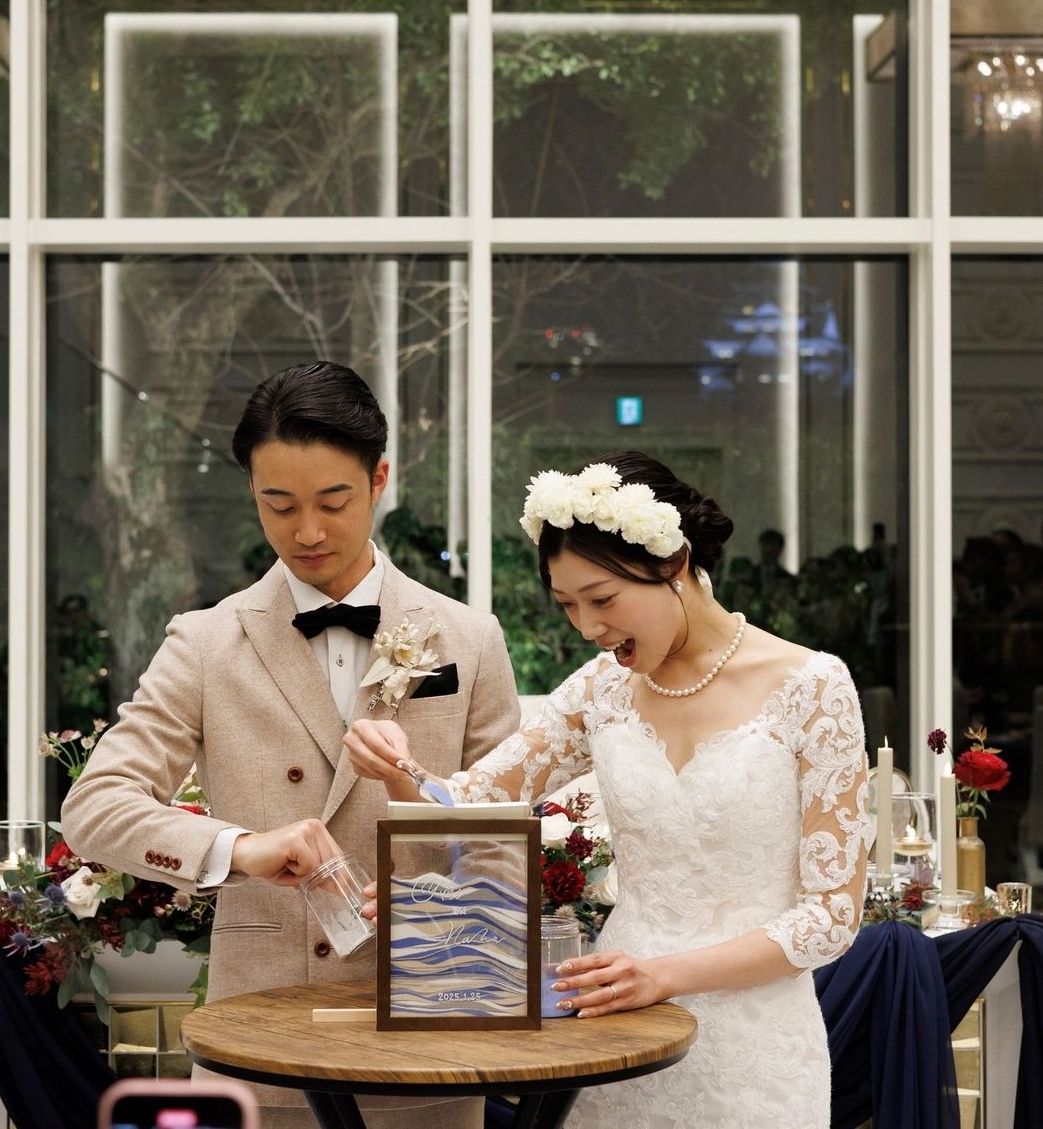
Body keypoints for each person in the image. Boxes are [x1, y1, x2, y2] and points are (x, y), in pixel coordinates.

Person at [346, 450, 872, 1129]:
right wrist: (398, 767)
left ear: (674, 564)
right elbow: (471, 803)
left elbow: (831, 917)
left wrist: (666, 975)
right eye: (568, 605)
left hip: (756, 1049)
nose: (589, 628)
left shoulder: (813, 687)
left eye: (602, 600)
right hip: (613, 1030)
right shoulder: (601, 690)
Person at [62, 361, 521, 1129]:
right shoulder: (205, 642)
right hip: (261, 1048)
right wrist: (240, 848)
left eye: (333, 502)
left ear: (379, 480)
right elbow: (95, 808)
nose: (307, 531)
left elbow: (506, 845)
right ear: (252, 491)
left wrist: (430, 873)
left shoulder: (469, 638)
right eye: (279, 505)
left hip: (429, 1036)